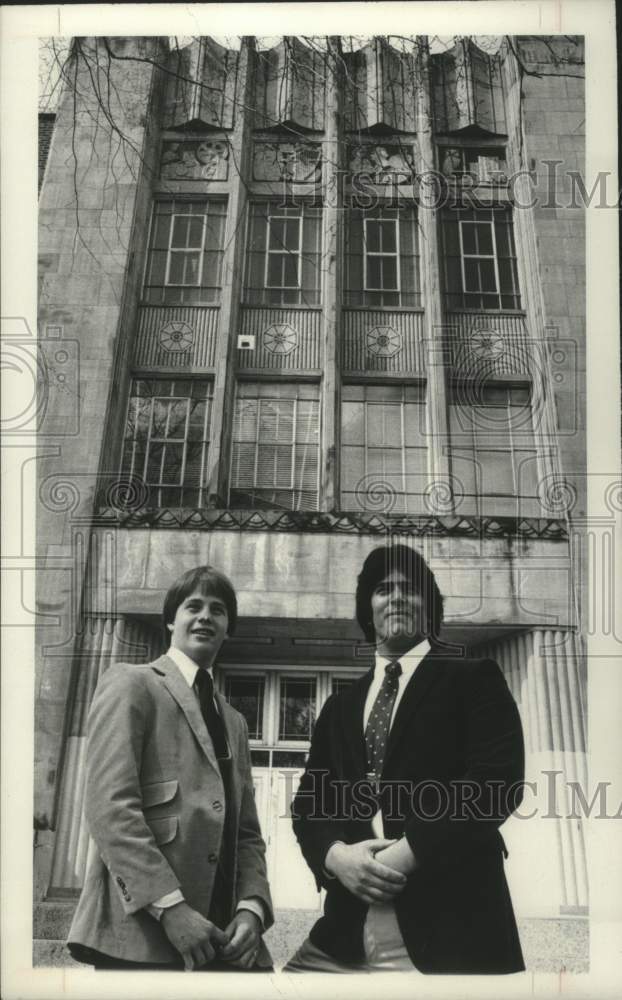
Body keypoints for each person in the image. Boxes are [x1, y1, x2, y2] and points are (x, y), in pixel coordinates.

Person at [286, 543, 525, 974]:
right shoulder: (339, 707)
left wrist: (404, 854)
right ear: (368, 609)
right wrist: (335, 856)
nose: (396, 597)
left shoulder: (473, 679)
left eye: (410, 589)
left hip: (452, 932)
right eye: (382, 589)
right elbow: (309, 804)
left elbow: (496, 783)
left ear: (429, 609)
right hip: (343, 933)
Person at [68, 565, 273, 971]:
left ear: (227, 627)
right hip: (144, 937)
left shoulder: (234, 721)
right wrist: (170, 908)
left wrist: (253, 907)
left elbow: (247, 832)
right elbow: (110, 808)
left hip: (225, 944)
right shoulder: (132, 683)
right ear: (170, 619)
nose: (204, 617)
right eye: (192, 606)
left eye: (217, 610)